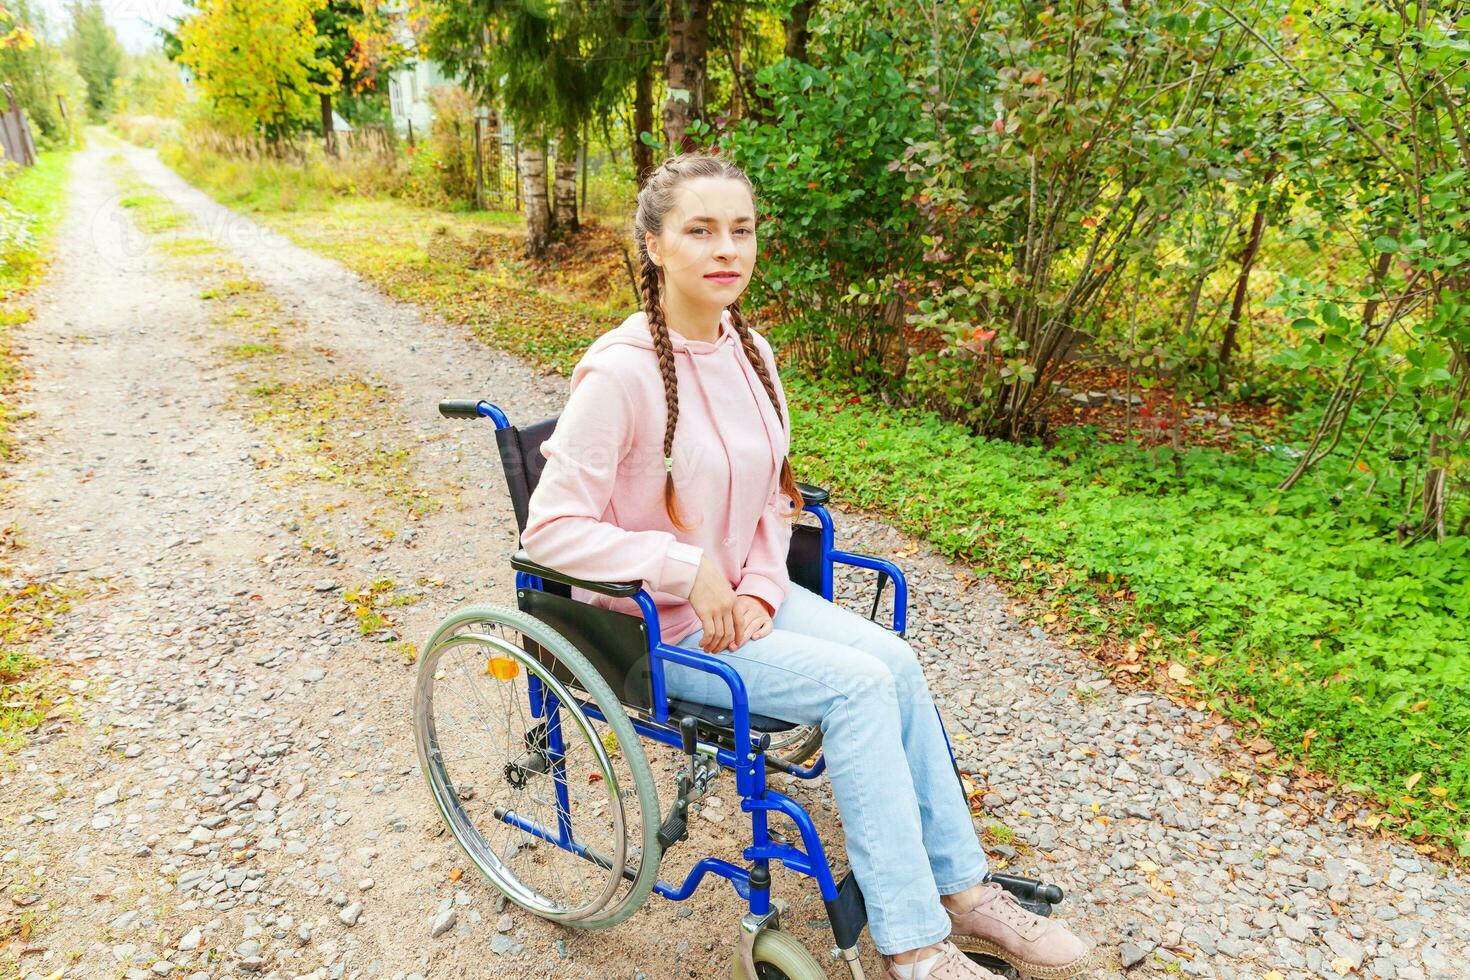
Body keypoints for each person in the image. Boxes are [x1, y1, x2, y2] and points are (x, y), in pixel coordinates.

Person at [520, 152, 1094, 980]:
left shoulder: (752, 351)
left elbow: (768, 501)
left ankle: (964, 890)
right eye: (701, 230)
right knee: (855, 688)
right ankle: (911, 943)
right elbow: (549, 532)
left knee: (894, 661)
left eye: (742, 231)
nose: (727, 250)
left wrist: (754, 583)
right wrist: (682, 568)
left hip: (745, 603)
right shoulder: (619, 375)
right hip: (654, 631)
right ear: (653, 245)